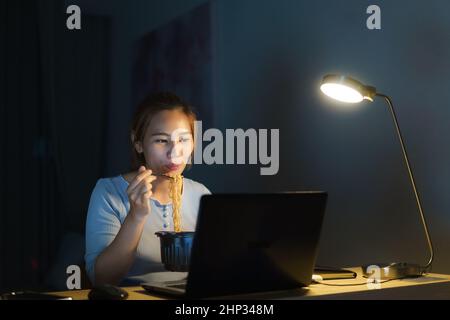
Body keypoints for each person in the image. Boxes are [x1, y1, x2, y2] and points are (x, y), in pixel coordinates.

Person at [84, 92, 211, 286]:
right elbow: (102, 279)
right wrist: (136, 216)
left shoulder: (201, 194)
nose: (175, 152)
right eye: (161, 140)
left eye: (183, 140)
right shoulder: (108, 192)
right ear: (139, 143)